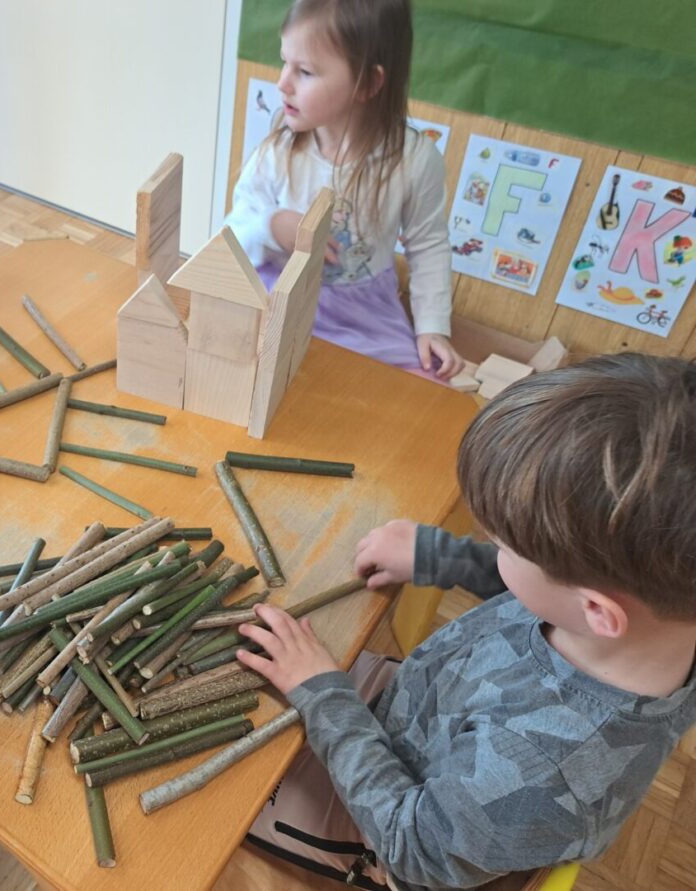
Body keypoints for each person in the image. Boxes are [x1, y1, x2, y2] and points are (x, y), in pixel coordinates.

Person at [237, 353, 696, 889]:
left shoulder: (538, 769)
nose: (495, 550)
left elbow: (410, 846)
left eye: (505, 545)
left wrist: (324, 698)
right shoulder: (656, 617)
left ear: (597, 610)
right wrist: (440, 557)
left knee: (232, 805)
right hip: (427, 719)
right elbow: (549, 589)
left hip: (395, 829)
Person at [225, 0, 464, 382]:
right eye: (285, 62)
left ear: (368, 83)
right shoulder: (278, 150)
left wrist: (433, 327)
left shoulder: (415, 160)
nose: (282, 83)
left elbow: (428, 245)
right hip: (279, 296)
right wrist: (272, 225)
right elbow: (233, 234)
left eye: (304, 71)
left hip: (363, 316)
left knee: (424, 385)